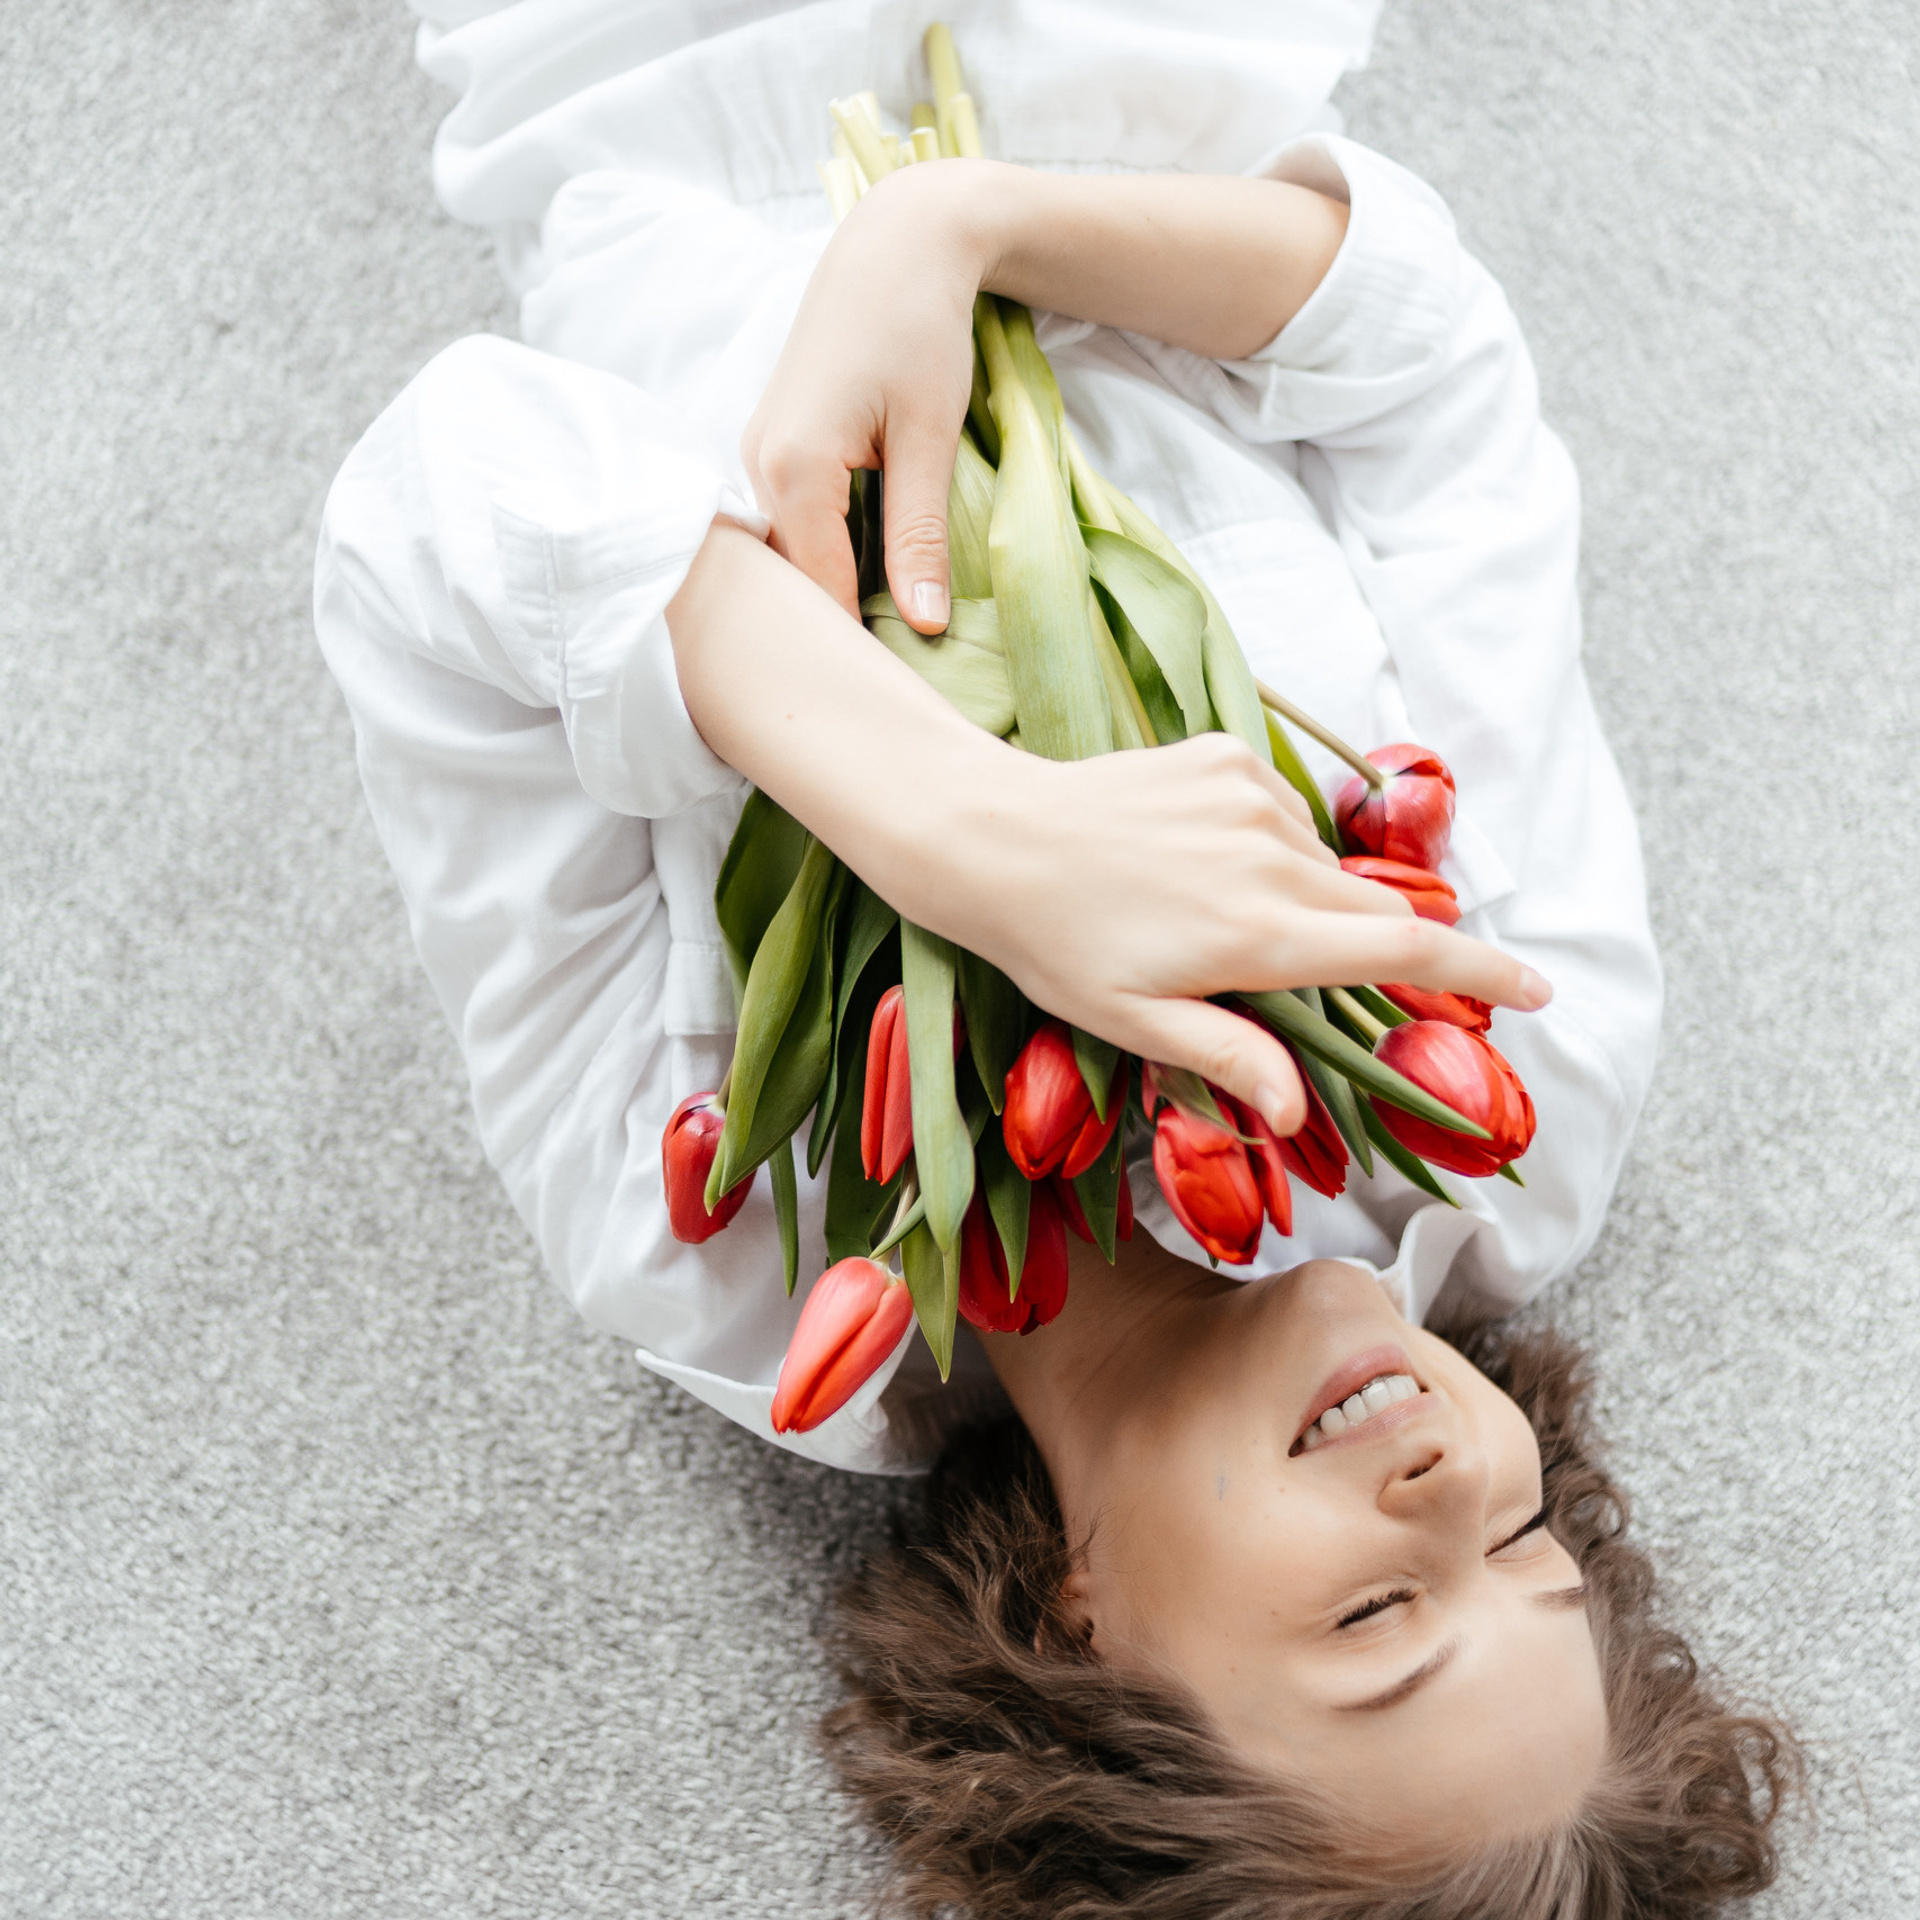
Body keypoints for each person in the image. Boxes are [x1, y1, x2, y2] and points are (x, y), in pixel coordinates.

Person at [314, 1, 1793, 1907]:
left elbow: (435, 502)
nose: (1455, 1490)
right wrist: (972, 225)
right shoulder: (1518, 1106)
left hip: (638, 81)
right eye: (1527, 1552)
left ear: (1090, 1655)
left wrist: (968, 832)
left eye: (1374, 1615)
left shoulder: (723, 1249)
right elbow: (1429, 372)